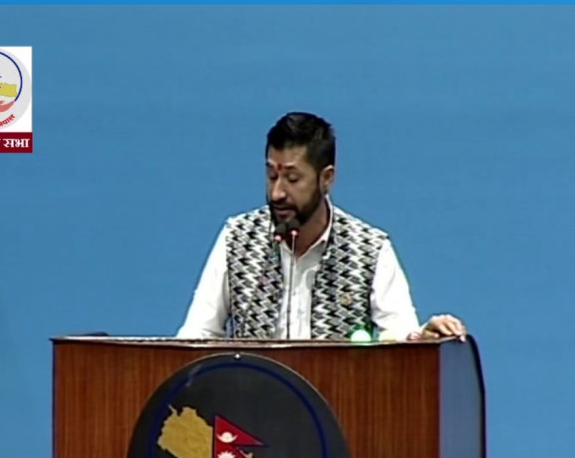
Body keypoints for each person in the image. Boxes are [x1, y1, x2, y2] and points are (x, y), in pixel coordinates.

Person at [176, 111, 467, 341]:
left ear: (326, 178)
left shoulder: (368, 249)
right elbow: (197, 336)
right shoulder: (238, 239)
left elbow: (399, 337)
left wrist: (423, 339)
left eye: (292, 179)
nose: (277, 193)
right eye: (271, 176)